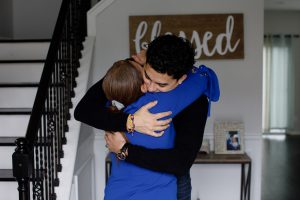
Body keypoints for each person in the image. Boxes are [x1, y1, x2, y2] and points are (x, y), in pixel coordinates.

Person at [74, 35, 220, 200]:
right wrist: (131, 122)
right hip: (125, 180)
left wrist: (124, 150)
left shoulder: (195, 102)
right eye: (147, 76)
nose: (149, 87)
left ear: (181, 80)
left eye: (161, 84)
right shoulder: (132, 73)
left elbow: (180, 162)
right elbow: (83, 110)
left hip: (171, 184)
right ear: (142, 63)